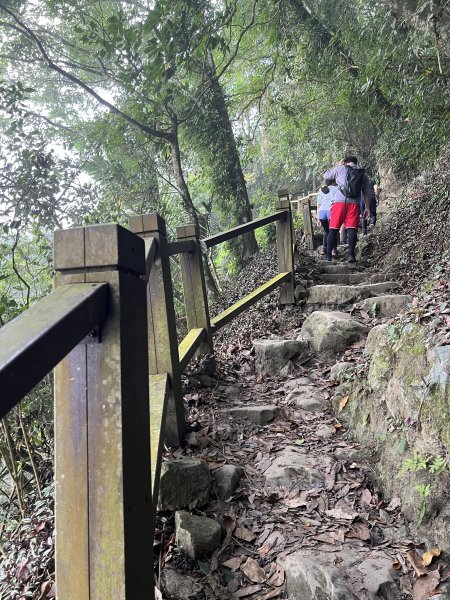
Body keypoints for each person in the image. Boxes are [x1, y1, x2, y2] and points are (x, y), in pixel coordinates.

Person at [323, 156, 371, 263]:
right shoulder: (363, 174)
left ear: (346, 162)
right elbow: (367, 192)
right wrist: (367, 208)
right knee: (352, 229)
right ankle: (351, 255)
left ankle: (328, 256)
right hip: (354, 204)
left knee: (333, 229)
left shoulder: (340, 168)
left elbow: (326, 175)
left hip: (339, 203)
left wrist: (337, 165)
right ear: (356, 162)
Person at [316, 178, 338, 257]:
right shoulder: (336, 189)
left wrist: (318, 218)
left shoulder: (321, 190)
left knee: (326, 232)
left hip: (322, 212)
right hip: (330, 211)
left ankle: (324, 249)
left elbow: (318, 205)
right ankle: (334, 250)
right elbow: (337, 202)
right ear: (333, 181)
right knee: (333, 232)